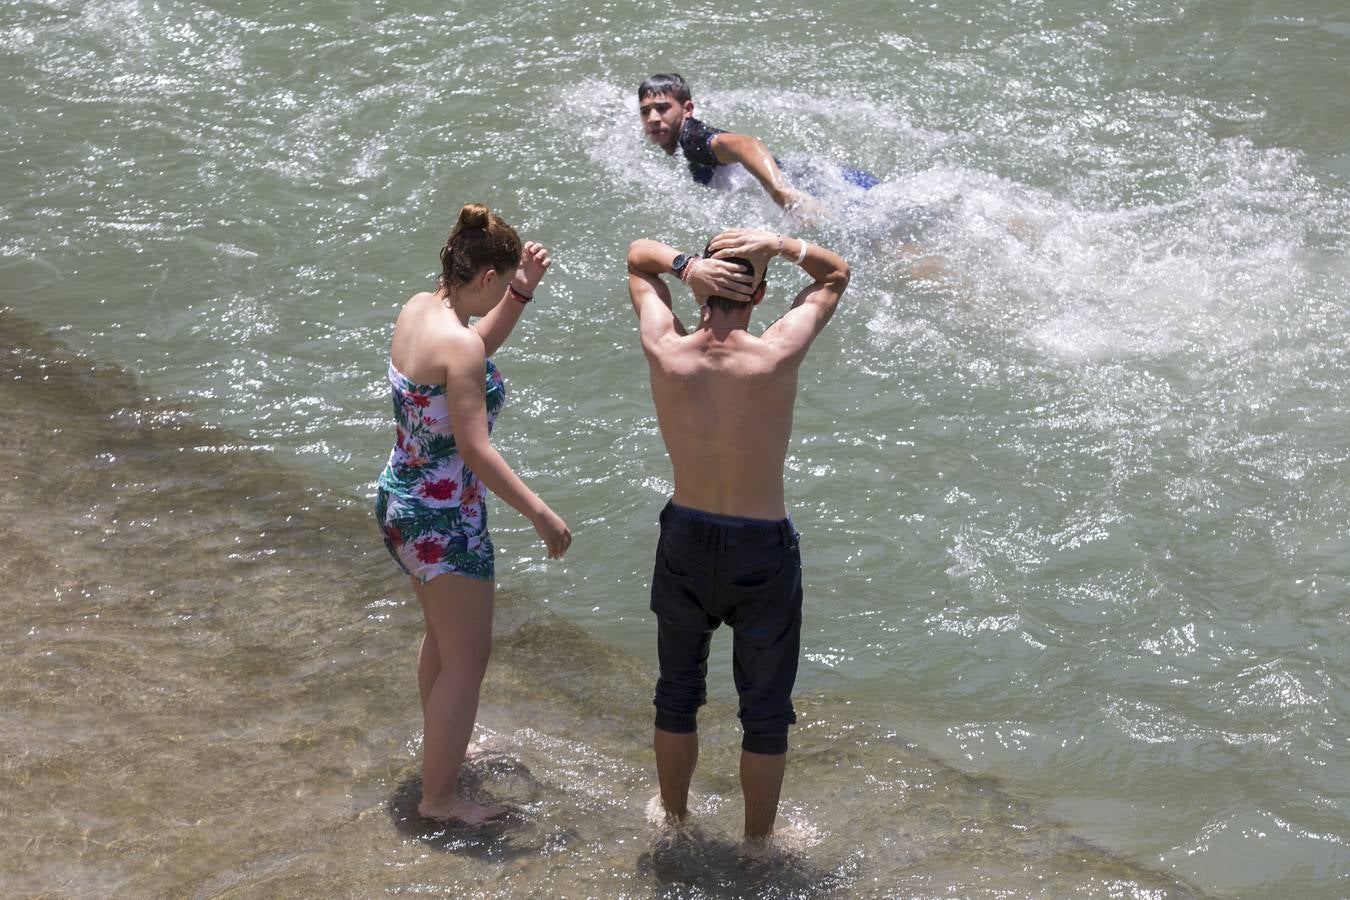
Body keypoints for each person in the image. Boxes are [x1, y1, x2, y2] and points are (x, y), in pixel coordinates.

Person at [625, 226, 850, 842]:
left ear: (701, 289)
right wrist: (780, 242)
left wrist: (682, 264)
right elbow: (835, 276)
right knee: (765, 714)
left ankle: (673, 820)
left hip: (686, 536)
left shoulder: (667, 350)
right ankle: (756, 848)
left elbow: (637, 261)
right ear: (761, 294)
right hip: (761, 545)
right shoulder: (776, 352)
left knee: (676, 692)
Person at [375, 203, 572, 825]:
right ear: (485, 275)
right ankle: (439, 799)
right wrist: (539, 512)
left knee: (443, 638)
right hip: (444, 524)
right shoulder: (457, 344)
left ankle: (443, 750)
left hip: (402, 503)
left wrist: (521, 292)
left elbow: (471, 346)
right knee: (467, 659)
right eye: (503, 281)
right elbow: (476, 448)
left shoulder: (419, 309)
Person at [638, 73, 877, 217]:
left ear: (687, 109)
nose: (653, 118)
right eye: (645, 111)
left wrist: (781, 193)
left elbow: (746, 144)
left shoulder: (692, 139)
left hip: (814, 185)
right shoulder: (683, 144)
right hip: (817, 176)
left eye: (662, 108)